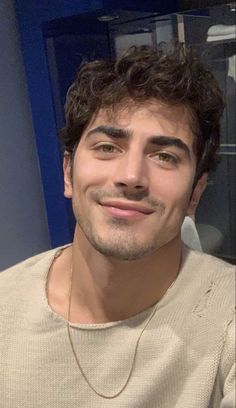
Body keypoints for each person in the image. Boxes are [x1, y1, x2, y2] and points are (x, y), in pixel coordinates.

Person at [0, 44, 235, 407]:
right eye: (108, 147)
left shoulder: (227, 317)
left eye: (165, 156)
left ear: (195, 193)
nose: (131, 176)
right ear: (68, 172)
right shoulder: (5, 305)